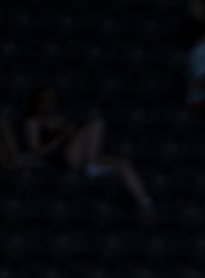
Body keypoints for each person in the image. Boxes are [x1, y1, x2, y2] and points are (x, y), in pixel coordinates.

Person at [22, 86, 154, 210]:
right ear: (38, 102)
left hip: (78, 156)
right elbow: (37, 151)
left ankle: (145, 203)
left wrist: (71, 133)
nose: (49, 103)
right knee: (96, 123)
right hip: (60, 160)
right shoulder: (33, 122)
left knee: (123, 164)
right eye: (45, 100)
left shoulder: (59, 119)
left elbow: (72, 138)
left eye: (52, 100)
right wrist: (60, 138)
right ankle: (90, 165)